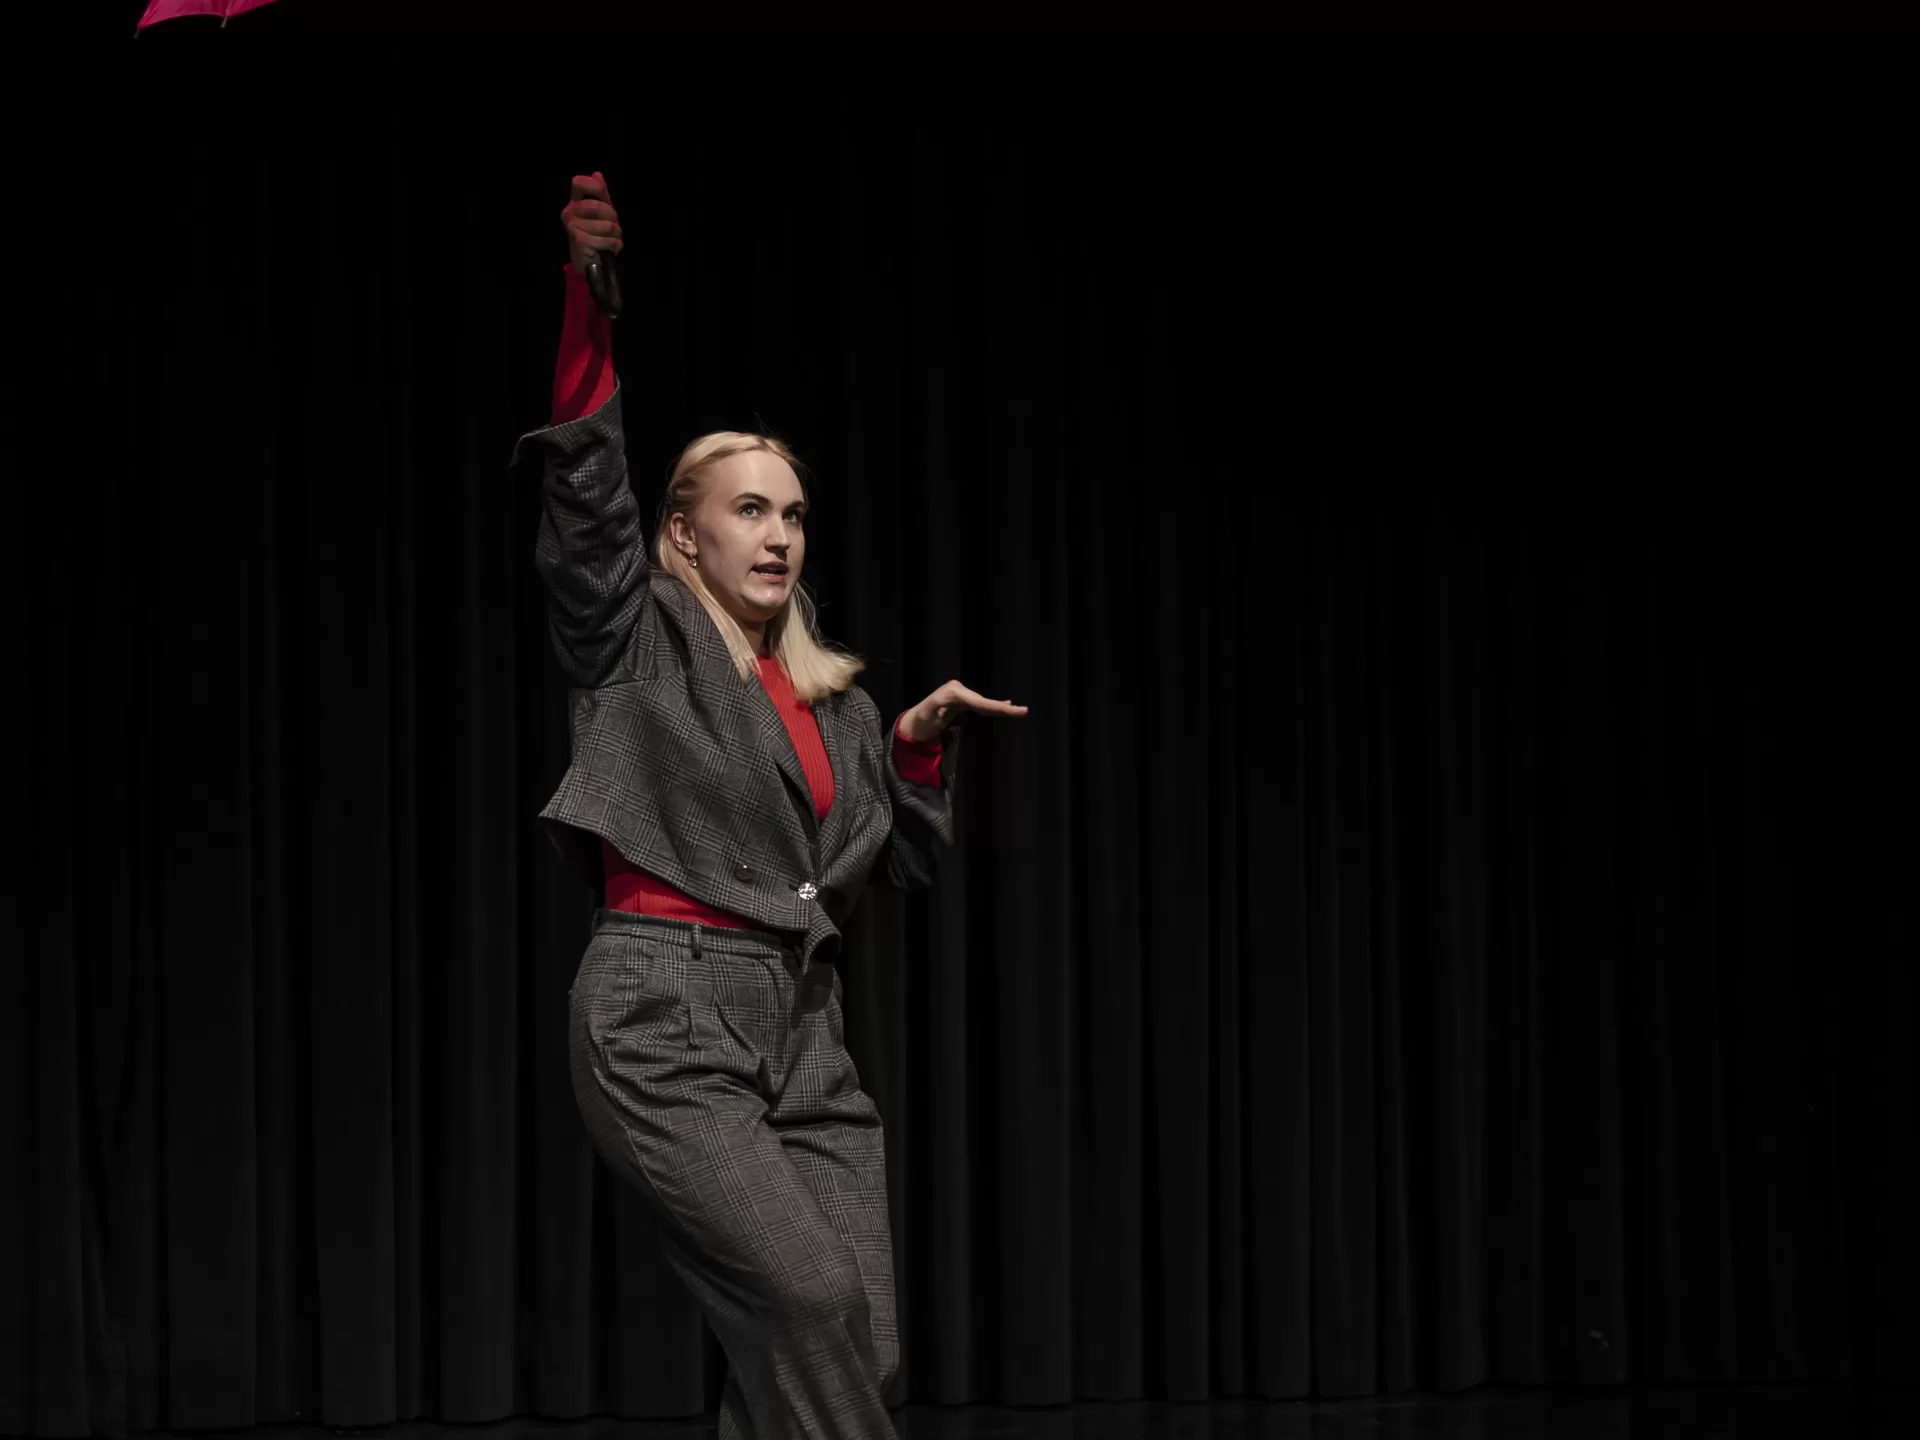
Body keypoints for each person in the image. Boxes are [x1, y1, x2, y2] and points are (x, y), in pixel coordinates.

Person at [511, 171, 1027, 1440]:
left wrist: (907, 755)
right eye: (749, 510)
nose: (780, 534)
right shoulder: (638, 637)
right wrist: (591, 302)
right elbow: (587, 500)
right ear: (683, 537)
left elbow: (891, 870)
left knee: (859, 1342)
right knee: (801, 1301)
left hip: (804, 1027)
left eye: (793, 513)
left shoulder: (837, 703)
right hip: (662, 1008)